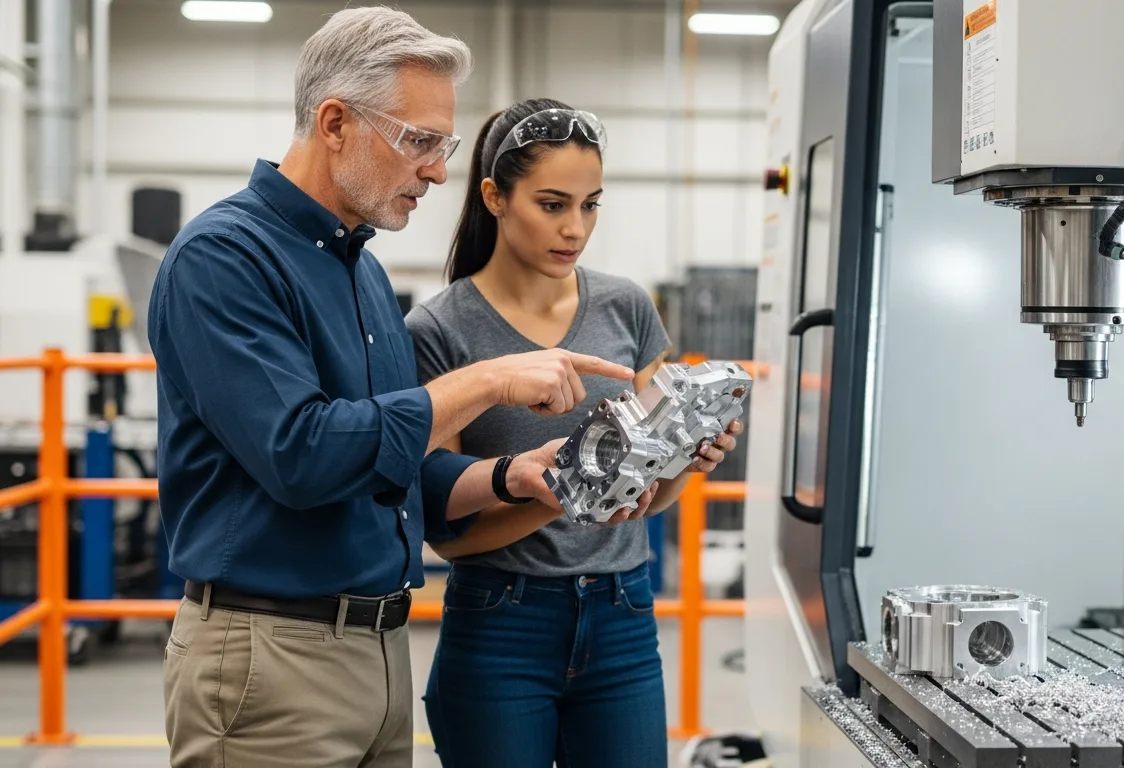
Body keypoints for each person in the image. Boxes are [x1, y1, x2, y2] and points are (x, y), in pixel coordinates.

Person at [148, 13, 644, 767]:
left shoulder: (362, 270)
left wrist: (517, 476)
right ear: (336, 122)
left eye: (442, 146)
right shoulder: (224, 258)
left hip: (377, 651)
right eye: (419, 142)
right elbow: (304, 453)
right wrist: (482, 383)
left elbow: (395, 471)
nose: (438, 172)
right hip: (270, 654)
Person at [406, 98, 744, 767]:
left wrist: (685, 459)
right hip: (501, 618)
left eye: (591, 205)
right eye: (553, 204)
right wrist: (561, 495)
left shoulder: (626, 306)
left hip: (622, 613)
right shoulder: (440, 330)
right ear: (494, 197)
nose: (575, 228)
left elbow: (644, 496)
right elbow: (444, 528)